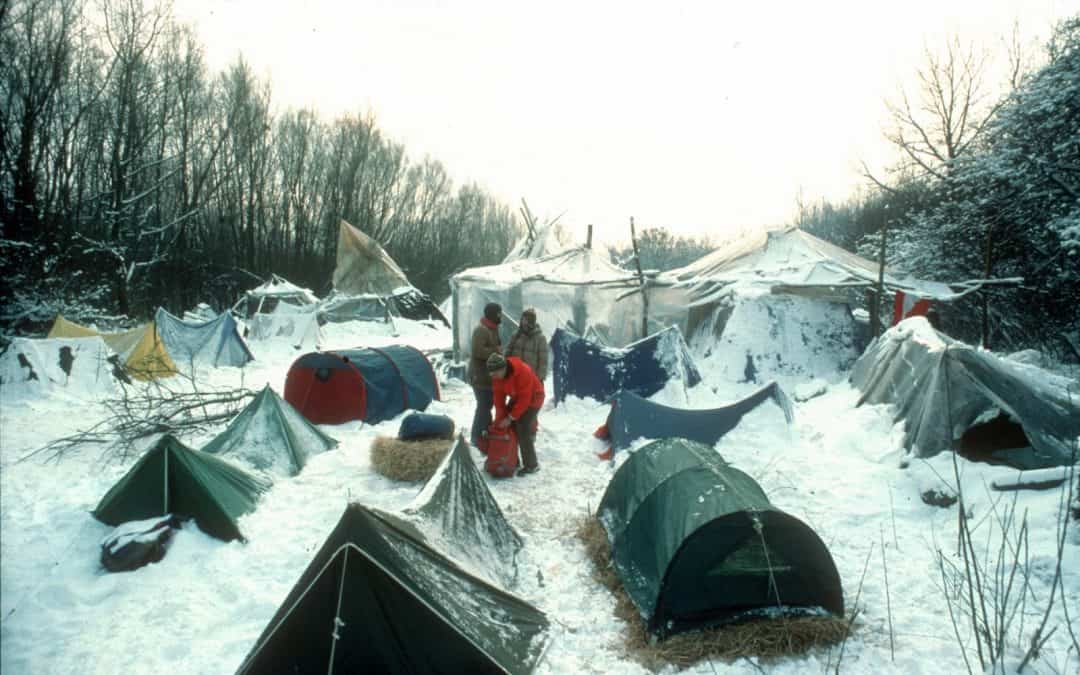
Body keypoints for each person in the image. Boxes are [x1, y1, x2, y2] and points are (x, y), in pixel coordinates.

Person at [487, 352, 543, 476]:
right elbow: (499, 402)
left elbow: (525, 400)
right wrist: (499, 420)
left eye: (495, 373)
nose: (493, 376)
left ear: (503, 368)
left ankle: (531, 465)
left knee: (522, 427)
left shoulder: (523, 371)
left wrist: (510, 417)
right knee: (508, 427)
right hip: (517, 397)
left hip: (534, 398)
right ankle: (512, 460)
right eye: (491, 373)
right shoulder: (497, 377)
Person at [469, 302, 503, 448]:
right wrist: (496, 351)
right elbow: (478, 351)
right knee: (483, 406)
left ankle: (485, 433)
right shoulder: (481, 330)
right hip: (480, 376)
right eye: (498, 313)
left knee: (487, 405)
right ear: (492, 314)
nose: (501, 316)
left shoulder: (493, 329)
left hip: (488, 377)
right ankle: (476, 437)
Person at [505, 308, 548, 381]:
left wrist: (538, 379)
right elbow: (507, 354)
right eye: (522, 319)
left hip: (531, 378)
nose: (523, 322)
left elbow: (543, 362)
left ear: (531, 321)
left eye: (526, 320)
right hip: (515, 376)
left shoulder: (540, 338)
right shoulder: (516, 335)